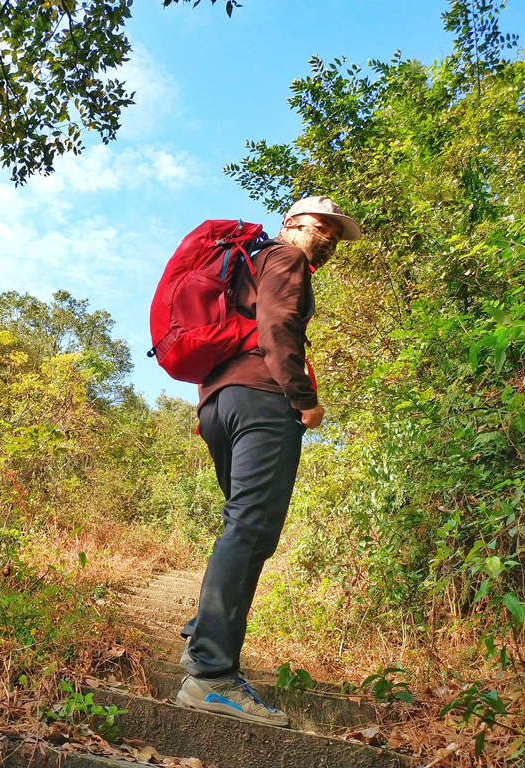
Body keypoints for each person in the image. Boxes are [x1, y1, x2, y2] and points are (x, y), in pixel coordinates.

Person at [173, 195, 362, 727]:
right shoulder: (286, 258)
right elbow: (277, 328)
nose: (327, 236)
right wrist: (305, 401)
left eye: (333, 231)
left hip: (219, 403)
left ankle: (204, 636)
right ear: (293, 224)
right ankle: (211, 676)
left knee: (243, 526)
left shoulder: (248, 266)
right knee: (252, 529)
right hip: (261, 401)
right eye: (321, 224)